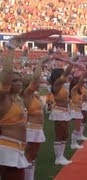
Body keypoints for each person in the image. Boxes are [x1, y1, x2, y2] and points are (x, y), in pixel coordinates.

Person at [0, 42, 29, 180]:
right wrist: (11, 49)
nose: (19, 83)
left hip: (16, 148)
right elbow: (6, 74)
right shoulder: (3, 98)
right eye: (15, 81)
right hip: (8, 147)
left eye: (20, 80)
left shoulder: (17, 99)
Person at [21, 56, 50, 180]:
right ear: (30, 84)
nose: (39, 84)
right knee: (28, 155)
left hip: (37, 128)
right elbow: (36, 78)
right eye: (36, 83)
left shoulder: (35, 95)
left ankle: (29, 177)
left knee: (32, 156)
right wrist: (40, 62)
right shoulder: (27, 94)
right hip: (31, 129)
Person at [48, 55, 78, 165]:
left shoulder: (62, 85)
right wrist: (72, 63)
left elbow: (66, 75)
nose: (64, 76)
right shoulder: (56, 85)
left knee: (65, 134)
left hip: (65, 111)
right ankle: (58, 158)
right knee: (60, 134)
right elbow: (66, 74)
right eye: (62, 74)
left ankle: (61, 156)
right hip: (59, 112)